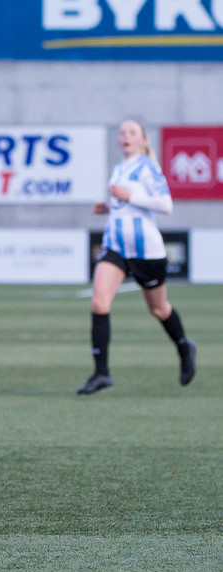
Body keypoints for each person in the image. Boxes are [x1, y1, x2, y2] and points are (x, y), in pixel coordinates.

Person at [76, 119, 197, 395]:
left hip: (146, 251)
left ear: (143, 140)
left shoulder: (148, 167)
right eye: (122, 133)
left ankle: (184, 348)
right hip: (116, 245)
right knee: (99, 301)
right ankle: (101, 373)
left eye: (132, 132)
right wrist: (109, 208)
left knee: (158, 308)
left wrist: (129, 196)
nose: (126, 136)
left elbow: (165, 205)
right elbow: (126, 207)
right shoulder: (119, 169)